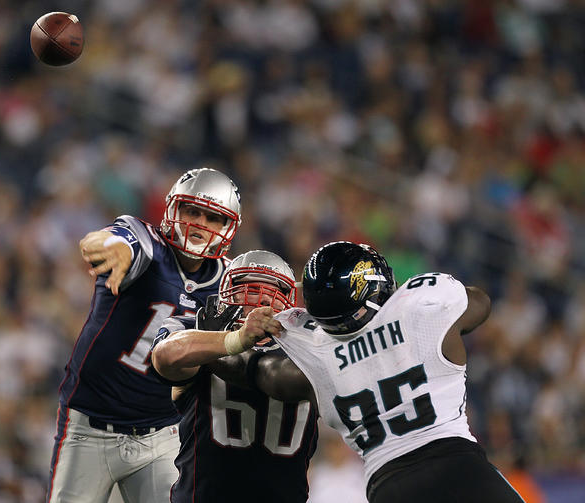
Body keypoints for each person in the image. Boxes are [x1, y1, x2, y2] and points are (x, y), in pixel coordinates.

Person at [220, 241, 527, 503]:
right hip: (461, 468)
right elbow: (480, 303)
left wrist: (216, 340)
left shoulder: (313, 357)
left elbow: (254, 372)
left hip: (388, 486)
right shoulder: (422, 310)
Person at [46, 168, 242, 503]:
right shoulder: (147, 242)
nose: (199, 224)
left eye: (212, 217)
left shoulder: (229, 284)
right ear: (171, 209)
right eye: (191, 210)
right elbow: (112, 240)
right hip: (90, 427)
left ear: (228, 227)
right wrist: (110, 247)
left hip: (162, 436)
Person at [151, 250, 319, 503]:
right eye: (249, 287)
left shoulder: (312, 347)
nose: (261, 299)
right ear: (224, 293)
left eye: (274, 291)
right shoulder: (198, 329)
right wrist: (234, 340)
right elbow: (166, 356)